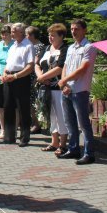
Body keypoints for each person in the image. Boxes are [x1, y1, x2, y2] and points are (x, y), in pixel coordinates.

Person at [58, 19, 97, 165]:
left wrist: (65, 80)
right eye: (72, 29)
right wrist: (64, 83)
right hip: (68, 89)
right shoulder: (71, 48)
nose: (74, 31)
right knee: (69, 122)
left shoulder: (89, 47)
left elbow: (83, 69)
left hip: (80, 90)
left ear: (84, 30)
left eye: (77, 29)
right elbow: (65, 67)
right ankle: (73, 148)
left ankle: (89, 153)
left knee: (83, 124)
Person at [35, 23, 68, 156]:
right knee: (51, 116)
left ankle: (63, 144)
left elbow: (60, 67)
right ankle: (54, 142)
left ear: (61, 36)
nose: (50, 37)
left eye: (53, 35)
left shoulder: (65, 49)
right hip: (45, 88)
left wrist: (43, 76)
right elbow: (36, 64)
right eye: (49, 35)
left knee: (61, 116)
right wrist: (41, 78)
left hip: (58, 89)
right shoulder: (46, 48)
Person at [1, 23, 35, 146]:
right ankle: (9, 137)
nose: (12, 32)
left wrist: (15, 76)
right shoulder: (13, 46)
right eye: (12, 30)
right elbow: (8, 62)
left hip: (21, 79)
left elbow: (30, 67)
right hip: (8, 77)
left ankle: (24, 138)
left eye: (14, 30)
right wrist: (5, 72)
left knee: (23, 108)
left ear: (22, 32)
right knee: (8, 107)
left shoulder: (28, 45)